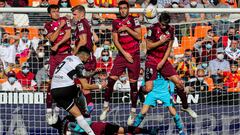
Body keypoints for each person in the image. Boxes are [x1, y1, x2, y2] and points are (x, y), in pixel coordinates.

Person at [144, 12, 197, 118]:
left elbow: (169, 48)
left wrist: (163, 61)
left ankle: (185, 106)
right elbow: (148, 46)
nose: (164, 27)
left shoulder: (171, 30)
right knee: (148, 89)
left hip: (163, 60)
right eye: (162, 25)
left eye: (166, 25)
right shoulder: (152, 29)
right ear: (159, 22)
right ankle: (141, 93)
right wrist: (160, 41)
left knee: (180, 83)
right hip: (151, 60)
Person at [99, 0, 142, 125]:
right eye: (121, 8)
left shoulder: (135, 20)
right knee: (110, 81)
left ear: (128, 9)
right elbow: (115, 41)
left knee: (133, 86)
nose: (123, 10)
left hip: (134, 55)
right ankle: (106, 107)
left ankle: (133, 112)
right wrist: (124, 54)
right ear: (119, 10)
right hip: (122, 55)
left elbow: (139, 37)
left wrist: (127, 28)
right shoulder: (115, 22)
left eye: (125, 8)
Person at [51, 46, 107, 135]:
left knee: (78, 116)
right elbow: (86, 83)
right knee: (78, 90)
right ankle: (85, 110)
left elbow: (81, 78)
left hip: (54, 90)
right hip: (65, 88)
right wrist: (99, 84)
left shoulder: (68, 58)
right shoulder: (78, 63)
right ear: (85, 56)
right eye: (88, 58)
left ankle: (56, 111)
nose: (87, 60)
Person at [44, 4, 71, 125]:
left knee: (64, 85)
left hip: (65, 55)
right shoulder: (47, 25)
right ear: (50, 14)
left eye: (57, 11)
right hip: (54, 57)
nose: (56, 13)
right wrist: (59, 27)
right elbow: (52, 39)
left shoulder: (66, 20)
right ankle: (49, 110)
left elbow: (68, 35)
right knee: (51, 83)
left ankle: (57, 110)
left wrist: (57, 44)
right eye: (54, 12)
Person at [72, 5, 98, 105]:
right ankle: (84, 113)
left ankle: (87, 114)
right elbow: (96, 39)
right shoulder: (87, 23)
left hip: (85, 59)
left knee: (85, 88)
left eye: (75, 14)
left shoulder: (80, 24)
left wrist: (73, 54)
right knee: (82, 87)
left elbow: (83, 41)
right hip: (87, 58)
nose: (73, 16)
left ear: (82, 14)